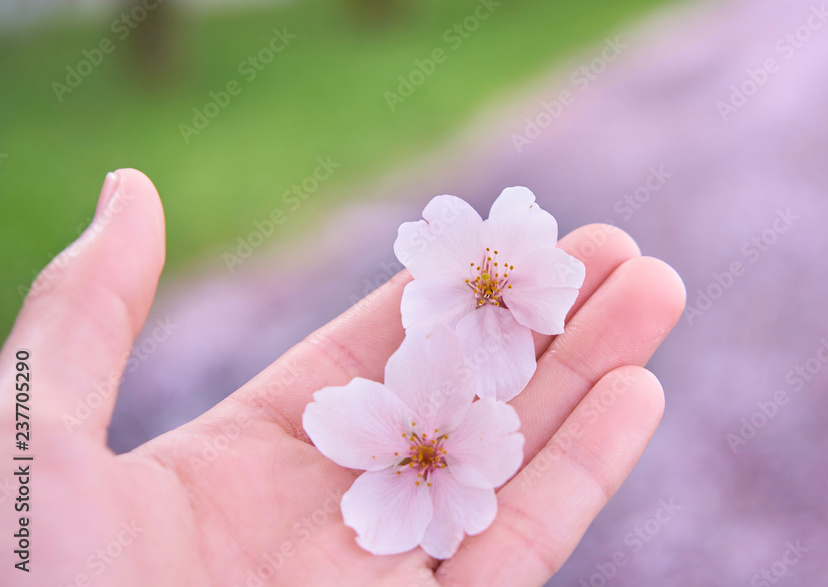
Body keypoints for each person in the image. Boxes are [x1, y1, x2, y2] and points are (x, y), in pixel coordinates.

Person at [0, 169, 686, 586]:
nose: (423, 453)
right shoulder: (436, 314)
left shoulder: (496, 326)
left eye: (423, 454)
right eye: (424, 453)